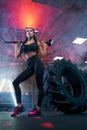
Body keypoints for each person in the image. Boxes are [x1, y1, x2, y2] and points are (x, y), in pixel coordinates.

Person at [11, 27, 47, 117]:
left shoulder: (37, 43)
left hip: (37, 63)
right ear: (26, 33)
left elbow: (43, 54)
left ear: (33, 33)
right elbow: (17, 55)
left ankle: (38, 108)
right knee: (15, 82)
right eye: (27, 31)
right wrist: (16, 47)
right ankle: (19, 106)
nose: (29, 32)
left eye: (31, 31)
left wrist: (44, 46)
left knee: (39, 86)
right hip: (30, 65)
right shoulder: (23, 44)